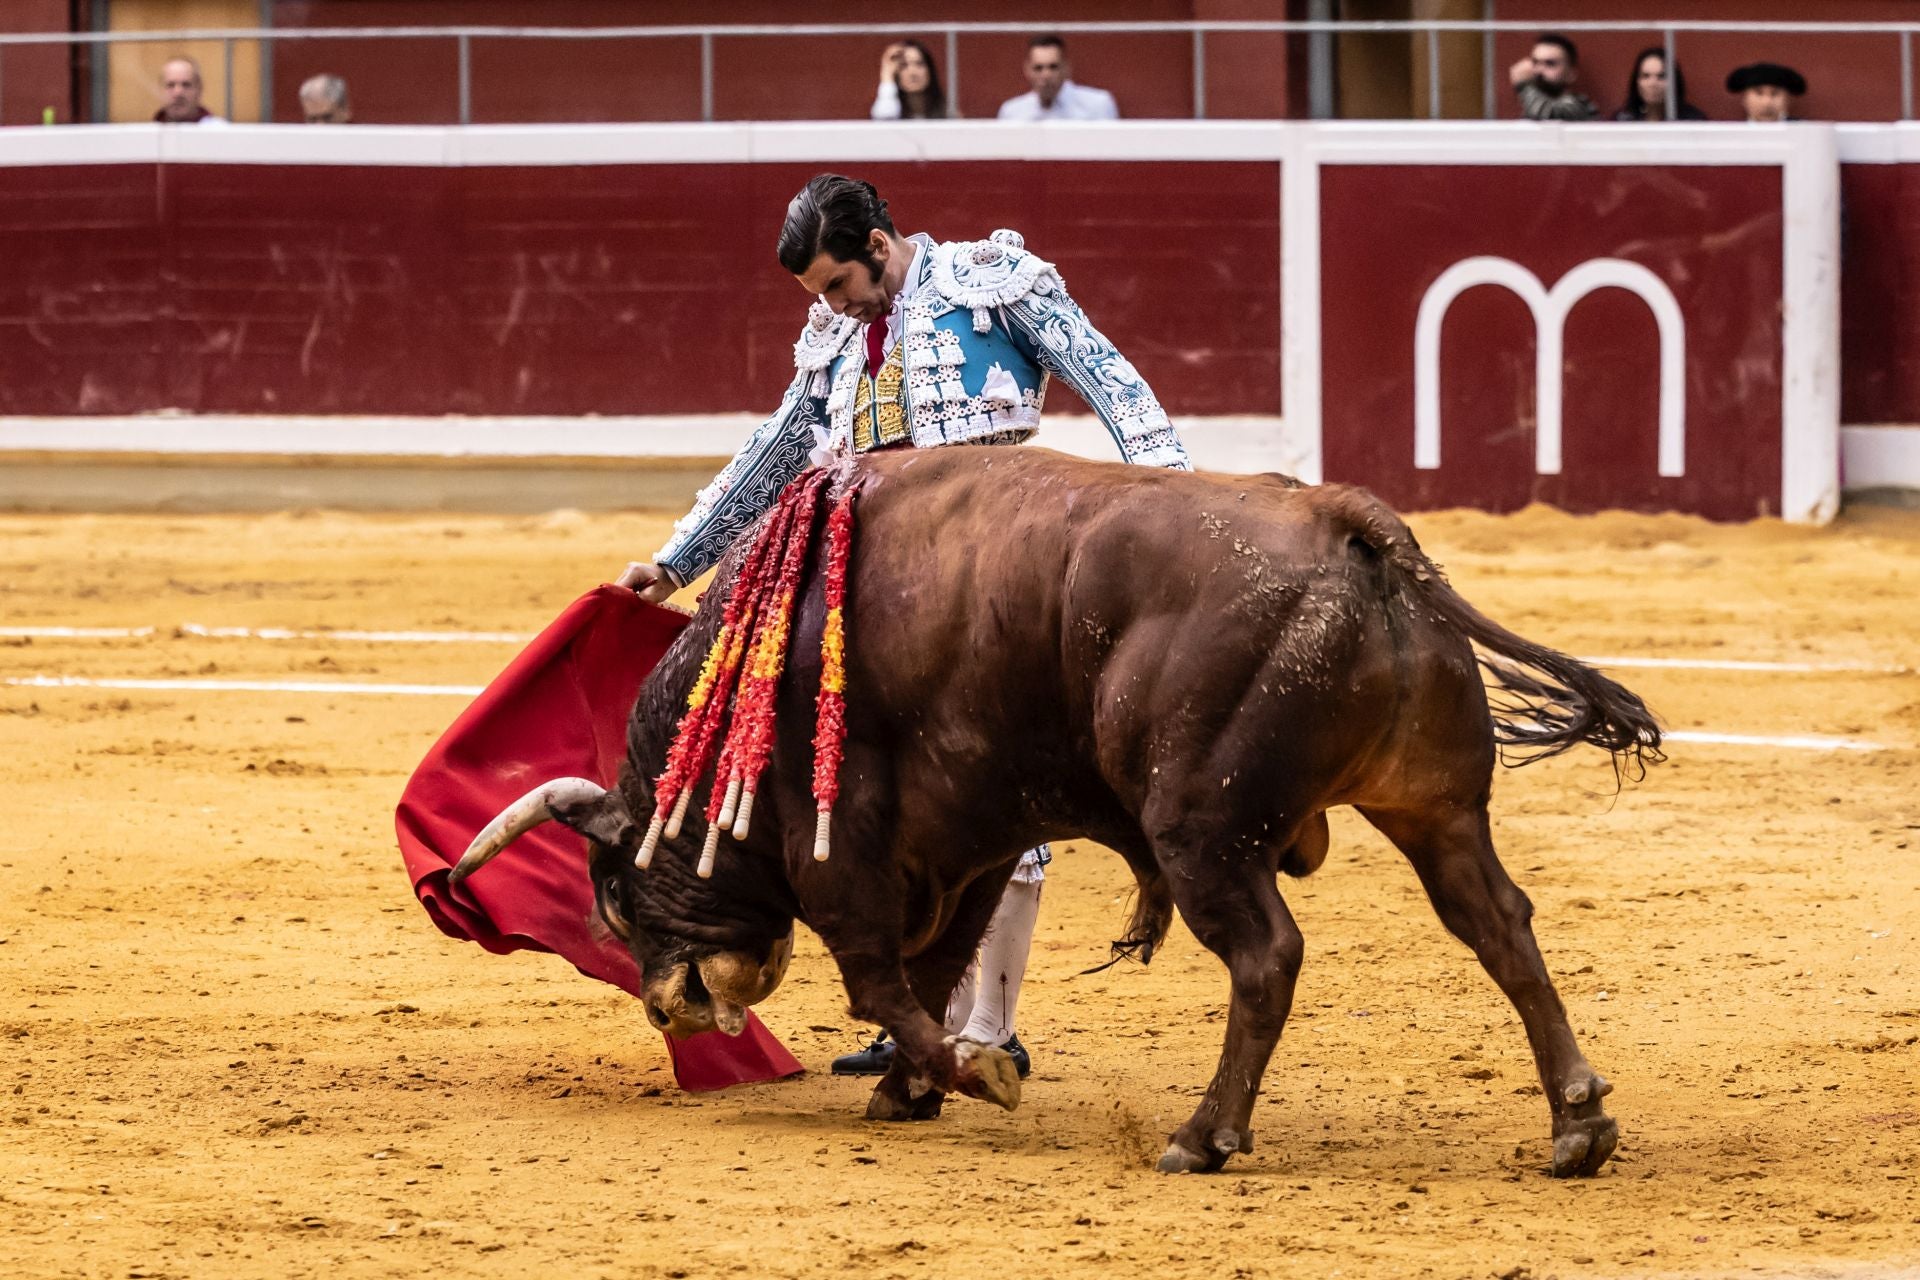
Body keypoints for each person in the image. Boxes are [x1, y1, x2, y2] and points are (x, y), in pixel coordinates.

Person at [614, 174, 1190, 1078]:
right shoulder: (836, 330)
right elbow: (774, 451)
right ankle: (919, 1017)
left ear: (878, 244)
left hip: (994, 574)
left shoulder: (992, 281)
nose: (835, 307)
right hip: (875, 592)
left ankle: (990, 1025)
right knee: (887, 807)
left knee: (1000, 793)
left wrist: (1169, 493)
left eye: (840, 284)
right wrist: (679, 557)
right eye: (820, 295)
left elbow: (1111, 380)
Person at [996, 34, 1119, 121]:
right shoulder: (1012, 112)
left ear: (1066, 68)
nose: (1046, 75)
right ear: (1027, 70)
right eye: (1038, 68)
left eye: (1053, 67)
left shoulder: (1097, 105)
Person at [1508, 33, 1598, 121]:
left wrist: (1523, 85)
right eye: (1535, 62)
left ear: (1571, 74)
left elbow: (1551, 117)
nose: (1539, 70)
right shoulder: (1530, 107)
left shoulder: (1580, 105)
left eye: (1550, 64)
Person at [1612, 47, 1706, 121]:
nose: (1653, 84)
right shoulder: (1622, 120)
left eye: (1661, 76)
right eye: (1646, 76)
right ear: (1636, 81)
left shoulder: (1693, 121)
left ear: (1674, 82)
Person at [870, 40, 950, 120]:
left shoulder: (947, 111)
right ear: (896, 74)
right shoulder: (892, 109)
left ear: (929, 70)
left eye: (919, 64)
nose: (913, 73)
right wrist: (887, 76)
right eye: (904, 65)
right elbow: (885, 117)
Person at [1727, 62, 1806, 123]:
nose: (1767, 103)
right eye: (1759, 93)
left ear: (1787, 100)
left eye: (1775, 94)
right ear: (1744, 99)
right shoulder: (1732, 135)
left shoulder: (1804, 133)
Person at [154, 56, 224, 125]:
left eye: (186, 85)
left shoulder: (221, 133)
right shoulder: (147, 132)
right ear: (160, 90)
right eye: (171, 85)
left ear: (199, 89)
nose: (178, 93)